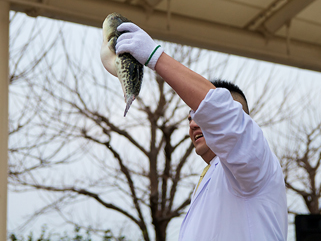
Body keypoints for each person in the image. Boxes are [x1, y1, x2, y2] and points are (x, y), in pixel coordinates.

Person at [115, 22, 288, 241]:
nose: (193, 124)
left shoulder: (256, 163)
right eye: (190, 118)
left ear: (241, 121)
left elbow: (220, 110)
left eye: (201, 116)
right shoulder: (212, 176)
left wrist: (155, 58)